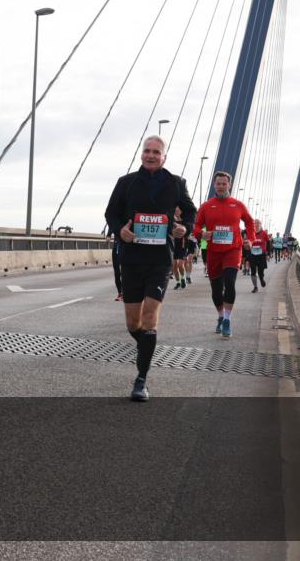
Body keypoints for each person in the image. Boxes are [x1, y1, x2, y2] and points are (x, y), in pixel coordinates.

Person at [104, 135, 195, 402]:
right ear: (141, 154)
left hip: (160, 260)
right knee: (134, 323)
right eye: (147, 151)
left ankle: (141, 379)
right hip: (131, 258)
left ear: (164, 157)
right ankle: (146, 347)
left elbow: (191, 212)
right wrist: (120, 230)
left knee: (150, 314)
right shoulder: (126, 182)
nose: (151, 155)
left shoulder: (176, 183)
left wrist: (185, 228)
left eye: (156, 152)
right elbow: (111, 213)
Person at [193, 171, 255, 339]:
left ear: (229, 185)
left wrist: (250, 239)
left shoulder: (238, 205)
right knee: (216, 289)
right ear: (214, 185)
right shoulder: (206, 205)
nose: (221, 186)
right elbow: (196, 226)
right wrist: (201, 234)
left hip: (233, 250)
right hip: (213, 251)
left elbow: (249, 222)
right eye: (218, 184)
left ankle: (227, 319)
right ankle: (220, 315)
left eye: (224, 184)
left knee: (229, 281)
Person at [248, 219, 270, 293]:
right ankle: (255, 287)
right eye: (254, 223)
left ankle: (261, 279)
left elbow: (269, 243)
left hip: (261, 255)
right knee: (253, 271)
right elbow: (247, 243)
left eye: (257, 223)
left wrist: (268, 254)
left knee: (261, 271)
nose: (256, 225)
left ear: (260, 225)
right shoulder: (251, 233)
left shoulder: (264, 233)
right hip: (252, 254)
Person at [172, 207, 188, 290]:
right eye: (175, 210)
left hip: (182, 245)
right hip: (174, 245)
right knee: (174, 266)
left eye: (178, 210)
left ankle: (183, 278)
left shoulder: (185, 221)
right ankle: (178, 282)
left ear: (181, 211)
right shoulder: (171, 220)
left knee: (180, 265)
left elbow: (188, 231)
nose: (176, 211)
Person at [109, 227, 123, 301]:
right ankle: (120, 293)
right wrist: (108, 235)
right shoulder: (116, 216)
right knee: (117, 272)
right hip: (116, 246)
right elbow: (112, 224)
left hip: (127, 246)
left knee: (127, 271)